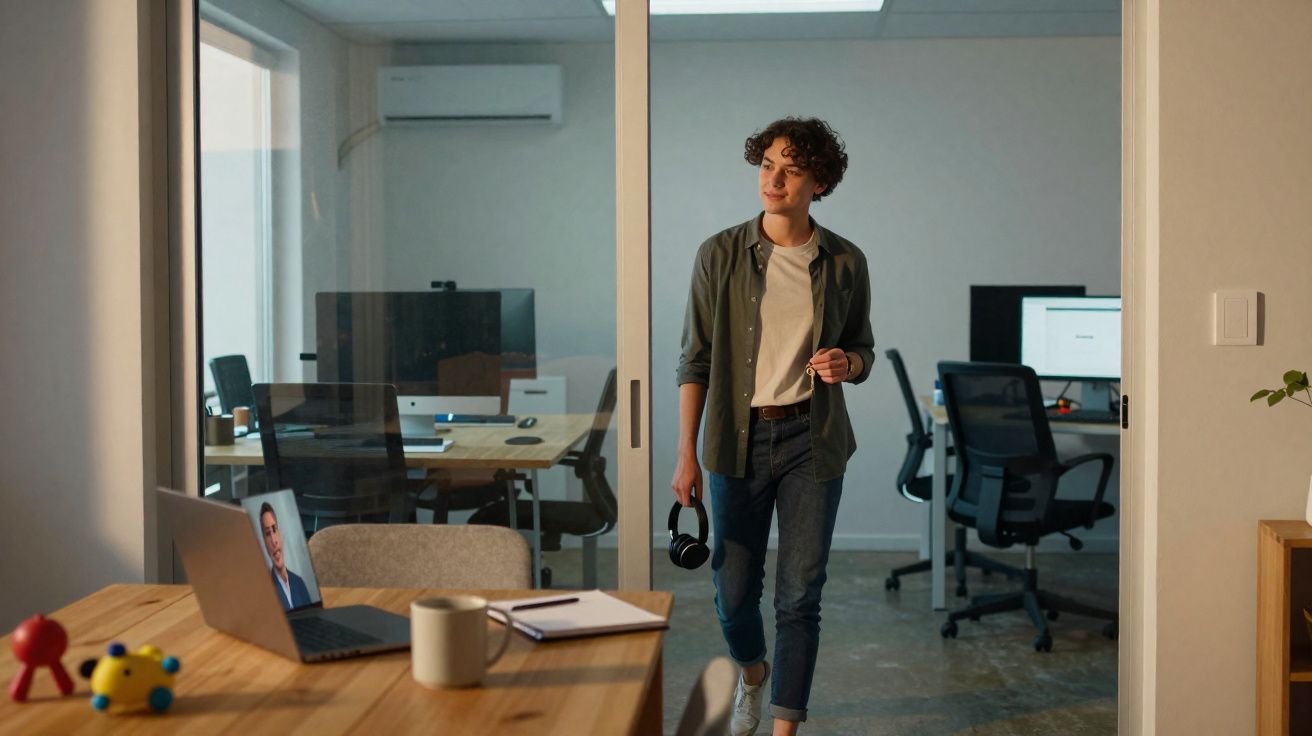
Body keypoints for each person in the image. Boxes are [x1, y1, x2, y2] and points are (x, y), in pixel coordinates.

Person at [672, 117, 874, 736]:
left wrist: (849, 363)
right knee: (734, 591)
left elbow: (862, 349)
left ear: (819, 182)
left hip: (812, 442)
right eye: (767, 165)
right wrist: (685, 453)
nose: (774, 179)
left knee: (800, 595)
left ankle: (785, 725)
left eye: (791, 169)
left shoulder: (844, 261)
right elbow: (695, 358)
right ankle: (752, 672)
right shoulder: (720, 253)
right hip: (737, 440)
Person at [259, 502, 311, 610]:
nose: (274, 541)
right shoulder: (264, 591)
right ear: (264, 543)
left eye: (275, 529)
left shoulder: (299, 583)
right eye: (268, 534)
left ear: (280, 534)